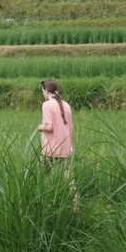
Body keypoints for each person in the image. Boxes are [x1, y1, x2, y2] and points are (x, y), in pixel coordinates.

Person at [37, 78, 78, 206]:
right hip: (65, 148)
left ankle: (42, 203)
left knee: (41, 176)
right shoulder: (66, 105)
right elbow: (70, 127)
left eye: (42, 91)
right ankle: (76, 206)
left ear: (46, 90)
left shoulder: (47, 105)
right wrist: (70, 147)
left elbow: (49, 127)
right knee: (70, 181)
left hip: (50, 149)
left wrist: (40, 127)